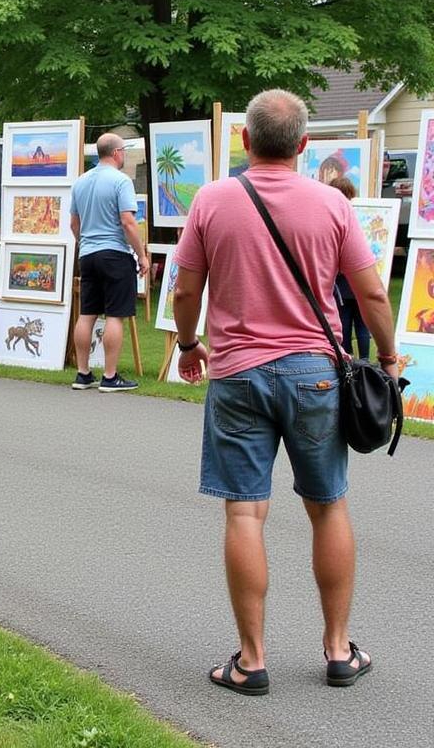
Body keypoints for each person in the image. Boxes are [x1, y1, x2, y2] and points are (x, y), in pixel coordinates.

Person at [172, 89, 397, 696]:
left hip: (238, 372)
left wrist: (190, 344)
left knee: (245, 510)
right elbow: (372, 294)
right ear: (304, 145)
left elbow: (186, 289)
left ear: (245, 140)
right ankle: (338, 650)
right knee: (328, 506)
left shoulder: (213, 201)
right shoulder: (330, 204)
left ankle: (251, 660)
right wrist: (390, 357)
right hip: (316, 373)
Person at [69, 133, 148, 391]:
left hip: (88, 253)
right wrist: (142, 254)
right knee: (115, 314)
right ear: (116, 153)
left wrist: (86, 244)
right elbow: (128, 222)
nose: (124, 155)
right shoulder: (121, 181)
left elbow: (74, 223)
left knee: (87, 313)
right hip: (114, 252)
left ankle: (83, 373)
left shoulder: (80, 182)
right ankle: (110, 376)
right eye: (123, 150)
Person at [326, 176, 371, 359]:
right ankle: (365, 360)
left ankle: (347, 358)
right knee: (362, 324)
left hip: (341, 285)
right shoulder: (360, 216)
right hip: (360, 283)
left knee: (344, 321)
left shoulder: (332, 217)